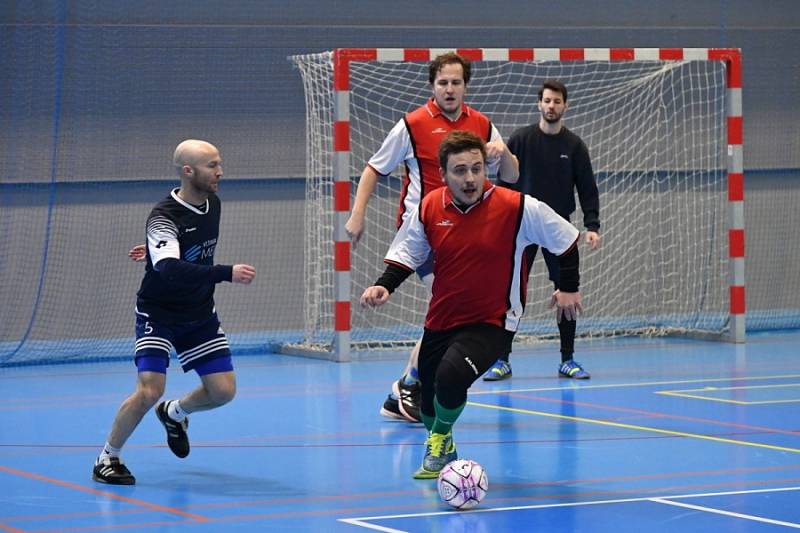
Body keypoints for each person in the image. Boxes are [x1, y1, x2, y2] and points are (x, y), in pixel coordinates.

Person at [360, 131, 582, 478]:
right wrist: (383, 286)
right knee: (430, 402)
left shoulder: (518, 207)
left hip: (493, 320)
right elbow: (408, 252)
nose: (470, 178)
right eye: (460, 170)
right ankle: (441, 436)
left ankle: (440, 439)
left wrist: (568, 287)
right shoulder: (431, 206)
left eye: (477, 169)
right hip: (442, 319)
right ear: (444, 174)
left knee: (452, 377)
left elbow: (566, 239)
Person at [345, 52, 519, 422]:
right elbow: (374, 168)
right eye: (443, 83)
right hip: (423, 233)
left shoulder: (483, 125)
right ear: (432, 86)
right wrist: (357, 213)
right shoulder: (412, 124)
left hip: (467, 236)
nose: (450, 89)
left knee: (451, 312)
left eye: (456, 82)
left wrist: (503, 153)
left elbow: (512, 176)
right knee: (450, 310)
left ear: (465, 85)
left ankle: (406, 388)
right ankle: (411, 382)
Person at [92, 140, 257, 485]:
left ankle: (175, 412)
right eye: (212, 165)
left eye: (219, 163)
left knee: (223, 392)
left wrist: (160, 252)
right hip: (159, 314)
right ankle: (108, 458)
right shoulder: (163, 217)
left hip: (199, 313)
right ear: (188, 171)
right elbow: (168, 266)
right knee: (149, 390)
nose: (220, 171)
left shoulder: (213, 203)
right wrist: (226, 272)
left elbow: (180, 252)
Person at [483, 79, 600, 382]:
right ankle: (502, 359)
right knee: (508, 293)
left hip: (558, 230)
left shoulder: (574, 146)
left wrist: (592, 225)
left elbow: (587, 187)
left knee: (567, 293)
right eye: (547, 100)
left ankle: (568, 359)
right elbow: (504, 183)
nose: (551, 106)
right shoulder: (521, 139)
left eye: (557, 101)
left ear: (565, 106)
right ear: (539, 104)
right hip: (521, 226)